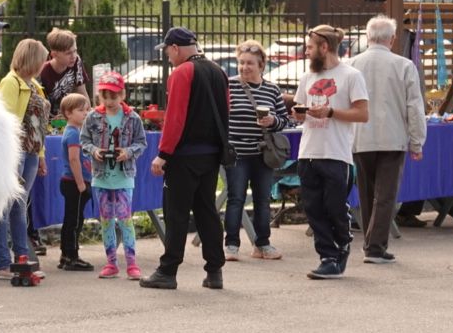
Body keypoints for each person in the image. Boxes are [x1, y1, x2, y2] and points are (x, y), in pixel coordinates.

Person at [143, 27, 229, 291]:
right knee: (207, 211)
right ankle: (214, 271)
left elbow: (175, 117)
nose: (168, 57)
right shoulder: (218, 71)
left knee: (176, 213)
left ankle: (167, 271)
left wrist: (163, 154)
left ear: (175, 48)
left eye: (168, 52)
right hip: (211, 154)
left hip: (184, 156)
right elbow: (226, 111)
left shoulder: (182, 73)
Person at [294, 25, 369, 280]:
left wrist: (331, 112)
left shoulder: (351, 76)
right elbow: (300, 107)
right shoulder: (307, 77)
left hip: (336, 154)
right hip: (308, 152)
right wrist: (298, 113)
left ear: (324, 47)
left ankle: (342, 246)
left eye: (310, 47)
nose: (306, 51)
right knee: (313, 208)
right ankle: (327, 257)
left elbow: (363, 113)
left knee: (334, 207)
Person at [350, 15, 427, 265]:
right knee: (385, 196)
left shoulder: (351, 65)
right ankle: (375, 247)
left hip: (360, 137)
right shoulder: (404, 66)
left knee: (366, 193)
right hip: (392, 138)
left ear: (367, 37)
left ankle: (371, 243)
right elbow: (414, 106)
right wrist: (417, 141)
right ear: (392, 39)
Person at [224, 40, 291, 261]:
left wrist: (272, 121)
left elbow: (284, 121)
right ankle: (231, 245)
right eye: (241, 62)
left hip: (263, 153)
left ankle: (262, 244)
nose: (244, 67)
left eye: (250, 63)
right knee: (236, 198)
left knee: (263, 199)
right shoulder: (229, 86)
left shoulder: (272, 89)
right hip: (237, 153)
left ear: (261, 65)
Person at [0, 37, 49, 273]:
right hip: (14, 153)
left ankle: (22, 259)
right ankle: (4, 263)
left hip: (30, 152)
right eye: (41, 60)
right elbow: (5, 122)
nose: (43, 64)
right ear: (32, 59)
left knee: (19, 206)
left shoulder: (33, 85)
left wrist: (41, 154)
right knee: (5, 207)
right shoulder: (10, 83)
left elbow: (39, 125)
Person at [81, 73, 146, 279]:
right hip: (101, 177)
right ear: (99, 96)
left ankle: (132, 263)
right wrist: (94, 151)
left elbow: (141, 143)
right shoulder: (92, 117)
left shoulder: (133, 118)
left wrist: (128, 152)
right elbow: (84, 141)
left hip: (124, 176)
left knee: (125, 219)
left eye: (114, 96)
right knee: (106, 220)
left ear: (123, 95)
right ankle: (111, 262)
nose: (109, 101)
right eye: (105, 96)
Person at [57, 93, 94, 272]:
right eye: (81, 110)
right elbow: (74, 159)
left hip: (74, 181)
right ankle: (72, 256)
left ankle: (66, 254)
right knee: (75, 221)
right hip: (74, 182)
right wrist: (80, 183)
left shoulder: (76, 131)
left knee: (72, 219)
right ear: (68, 113)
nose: (85, 113)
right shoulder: (73, 134)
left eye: (86, 110)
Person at [38, 28, 92, 115]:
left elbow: (82, 92)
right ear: (54, 54)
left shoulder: (76, 61)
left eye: (75, 51)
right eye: (68, 53)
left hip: (70, 115)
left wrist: (88, 115)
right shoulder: (43, 72)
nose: (73, 56)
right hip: (50, 118)